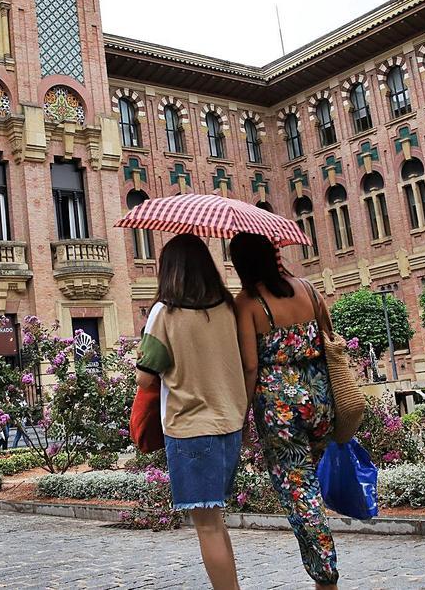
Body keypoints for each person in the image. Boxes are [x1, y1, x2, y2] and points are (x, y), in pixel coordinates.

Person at [135, 234, 250, 590]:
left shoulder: (164, 312)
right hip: (230, 424)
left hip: (190, 428)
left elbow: (145, 377)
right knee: (217, 521)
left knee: (207, 525)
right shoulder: (227, 307)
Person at [230, 232, 340, 589]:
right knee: (311, 484)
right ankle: (324, 573)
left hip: (280, 406)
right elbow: (329, 336)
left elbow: (249, 366)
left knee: (299, 489)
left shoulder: (247, 303)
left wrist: (244, 417)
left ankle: (326, 577)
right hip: (321, 395)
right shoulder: (308, 288)